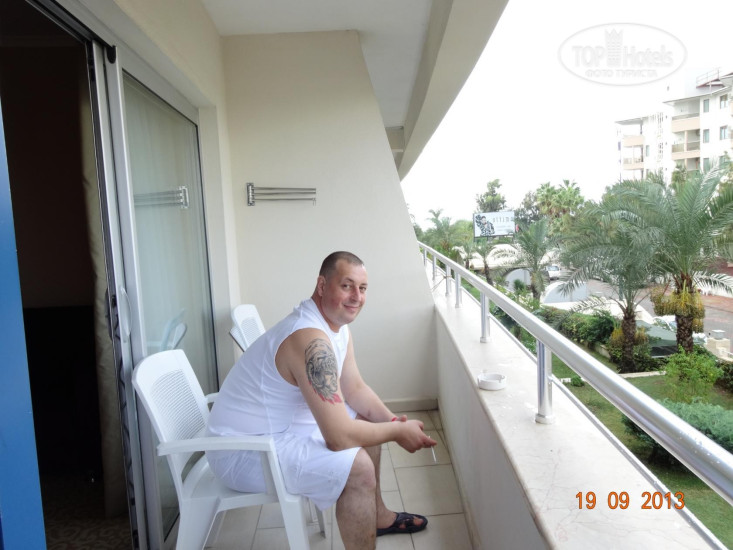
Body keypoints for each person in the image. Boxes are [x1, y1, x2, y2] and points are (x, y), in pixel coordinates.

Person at [207, 251, 436, 549]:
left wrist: (392, 421)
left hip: (278, 428)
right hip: (242, 450)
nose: (356, 297)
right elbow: (338, 438)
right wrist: (397, 432)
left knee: (366, 419)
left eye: (362, 288)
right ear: (322, 285)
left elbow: (355, 388)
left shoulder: (336, 327)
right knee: (359, 468)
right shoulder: (310, 339)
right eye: (347, 286)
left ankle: (378, 516)